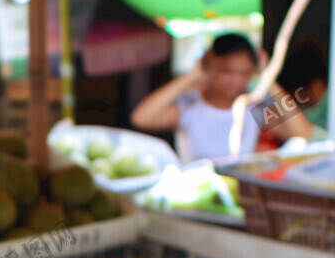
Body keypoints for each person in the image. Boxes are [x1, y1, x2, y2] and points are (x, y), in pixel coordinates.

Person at [131, 33, 308, 163]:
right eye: (227, 72)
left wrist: (268, 79)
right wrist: (194, 75)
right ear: (210, 66)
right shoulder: (191, 107)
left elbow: (303, 134)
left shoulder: (254, 111)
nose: (236, 81)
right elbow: (142, 118)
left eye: (243, 73)